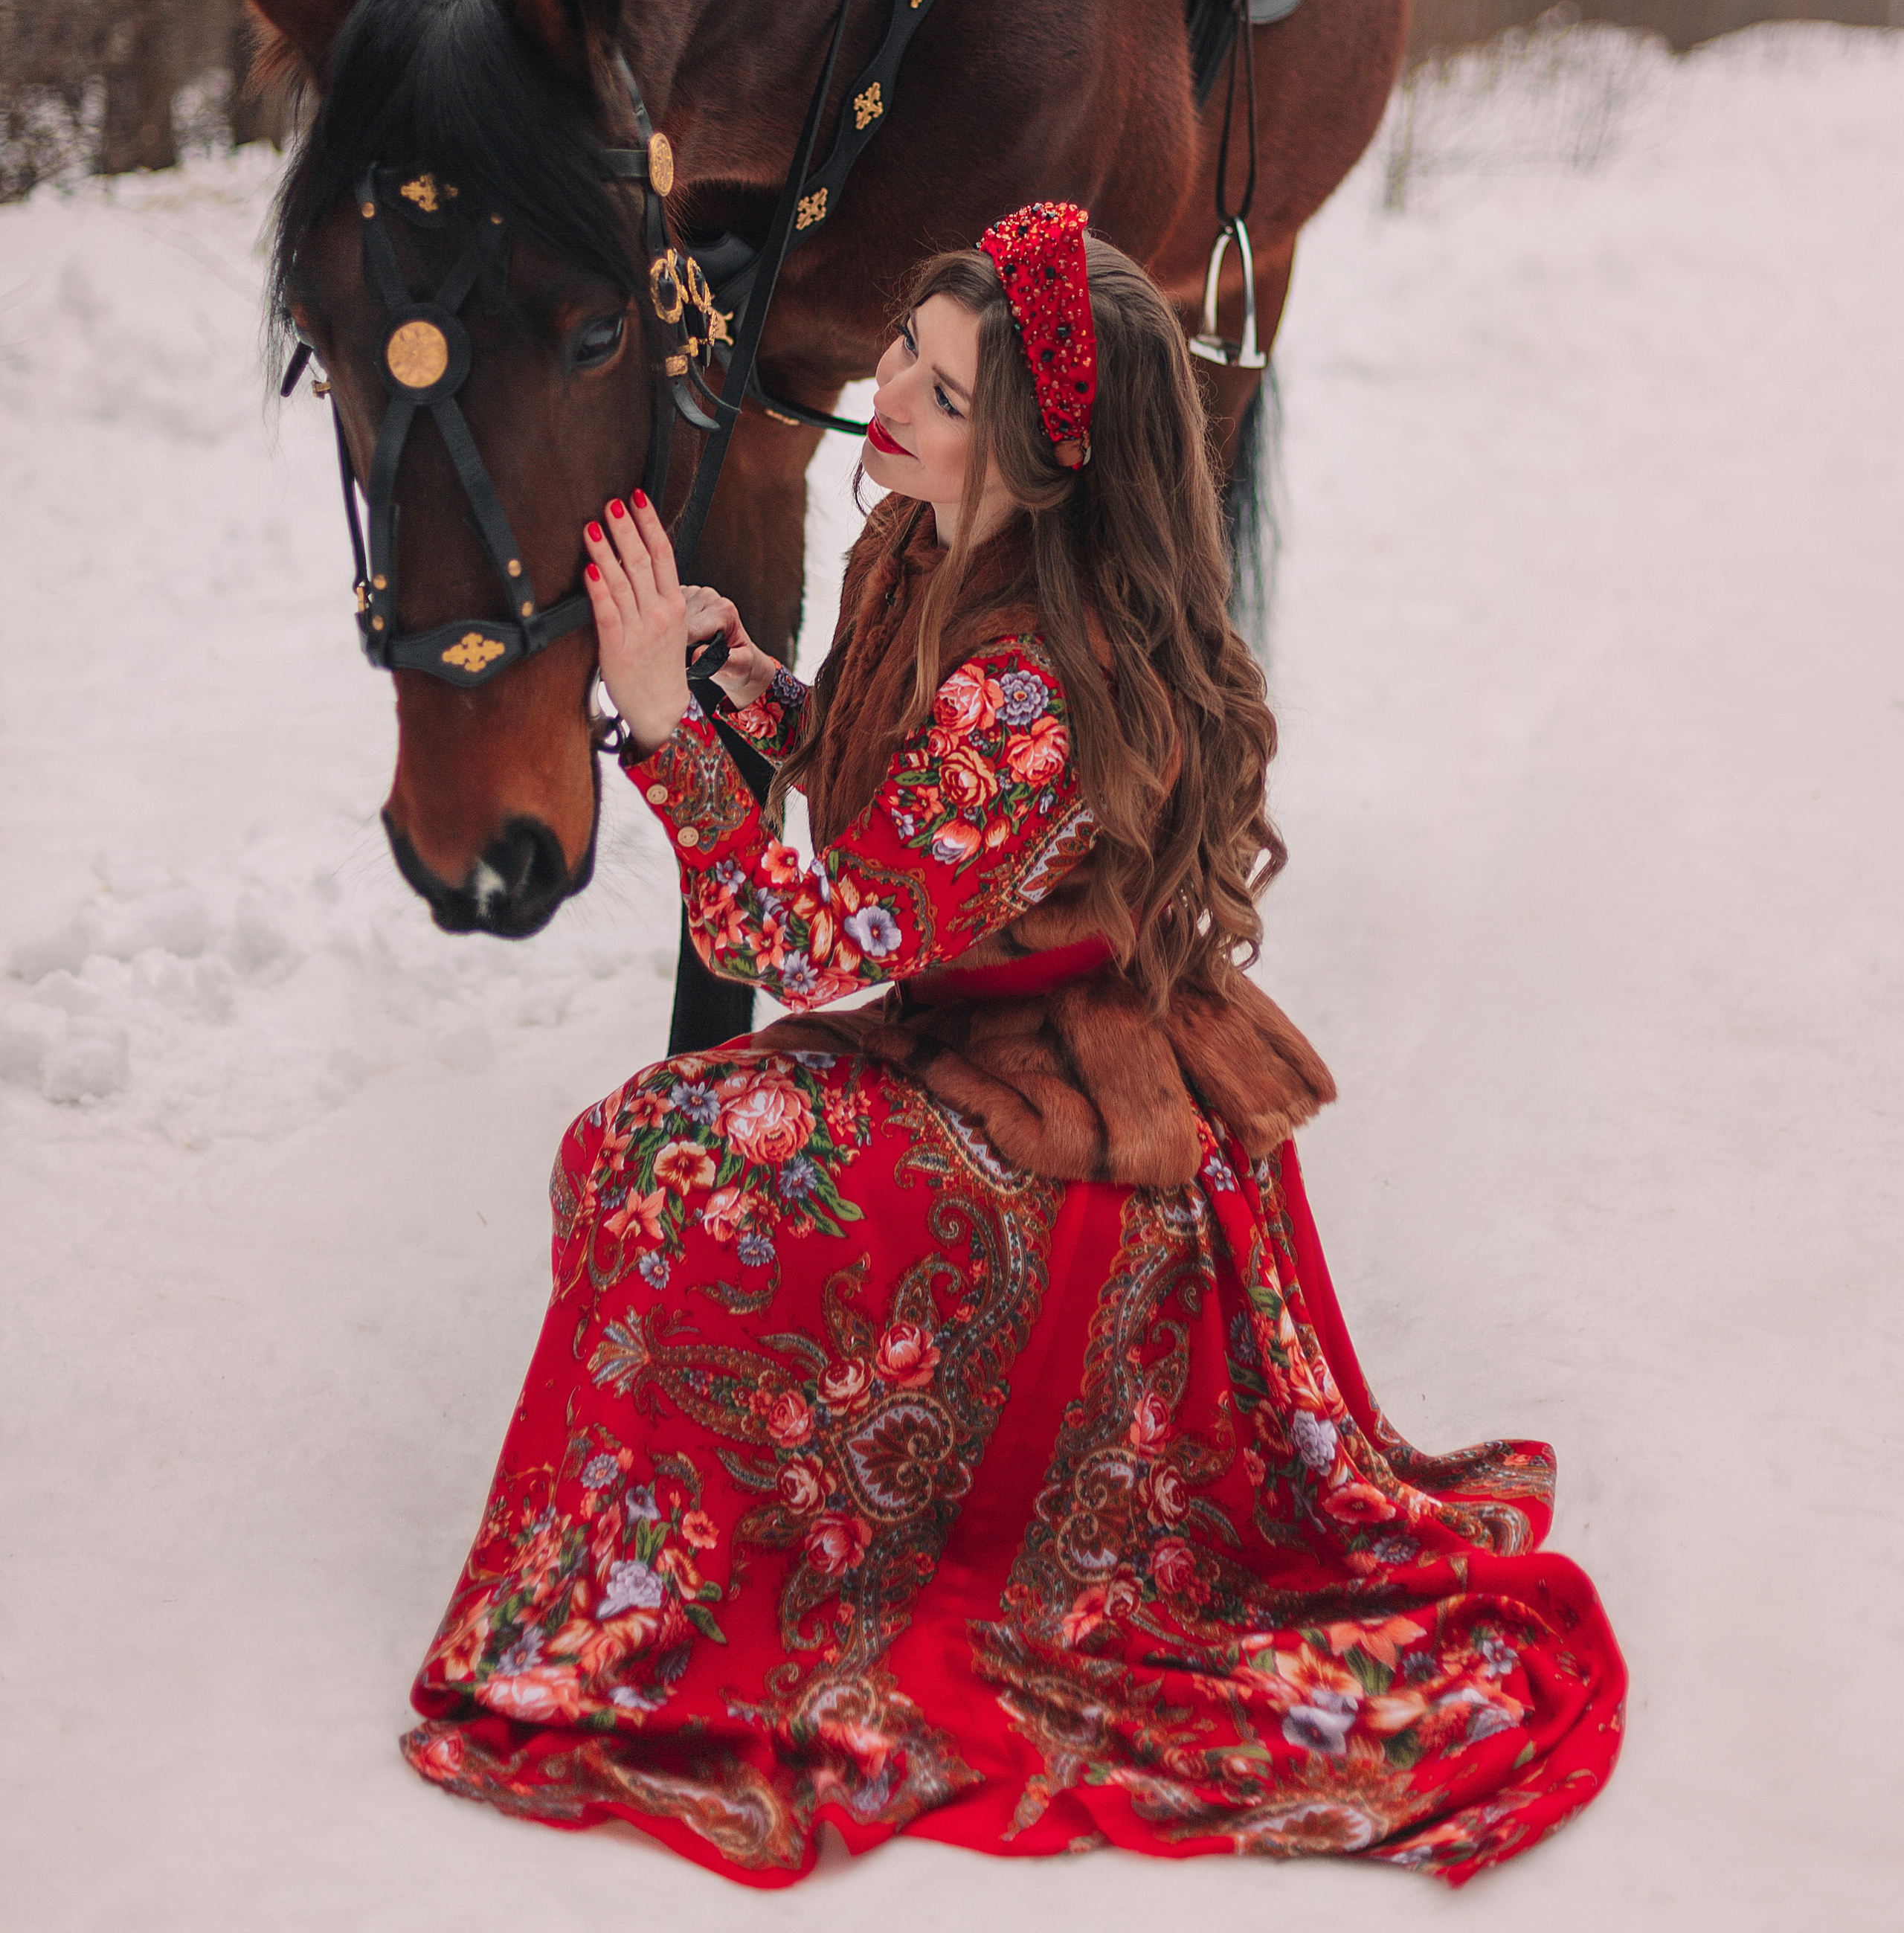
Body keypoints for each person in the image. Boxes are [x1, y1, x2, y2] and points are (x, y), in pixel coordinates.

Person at [404, 202, 1624, 1882]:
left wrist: (671, 736)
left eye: (948, 389)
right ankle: (701, 1557)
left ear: (1038, 463)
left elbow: (802, 936)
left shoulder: (1032, 690)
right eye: (907, 339)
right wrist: (752, 685)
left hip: (1052, 1126)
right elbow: (874, 775)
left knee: (672, 1164)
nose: (892, 387)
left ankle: (818, 1553)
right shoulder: (921, 538)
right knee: (633, 1153)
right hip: (956, 1036)